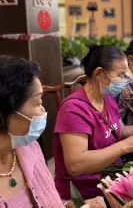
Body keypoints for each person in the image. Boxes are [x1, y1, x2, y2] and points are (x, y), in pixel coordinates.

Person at [53, 45, 133, 201]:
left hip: (112, 182)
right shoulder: (74, 110)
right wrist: (125, 146)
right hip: (87, 196)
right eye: (120, 75)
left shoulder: (107, 98)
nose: (123, 81)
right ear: (100, 73)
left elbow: (119, 131)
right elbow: (76, 165)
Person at [0, 56, 105, 208]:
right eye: (38, 103)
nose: (43, 110)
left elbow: (47, 201)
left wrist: (72, 205)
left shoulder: (28, 149)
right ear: (6, 113)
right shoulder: (75, 108)